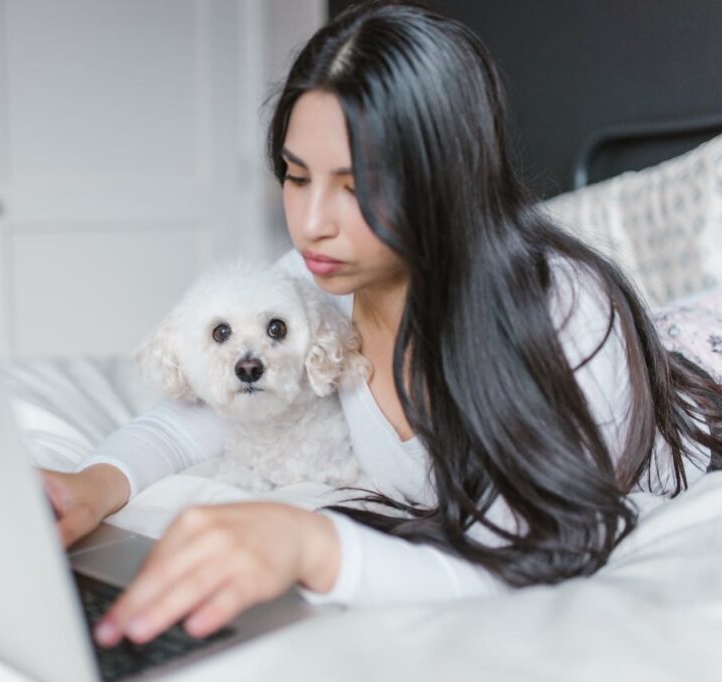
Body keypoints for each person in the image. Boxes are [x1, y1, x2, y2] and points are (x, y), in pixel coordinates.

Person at [41, 0, 722, 649]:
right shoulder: (313, 280)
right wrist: (93, 484)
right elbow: (211, 410)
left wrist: (314, 547)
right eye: (296, 176)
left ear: (444, 177)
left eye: (357, 184)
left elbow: (535, 563)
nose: (311, 224)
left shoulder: (564, 312)